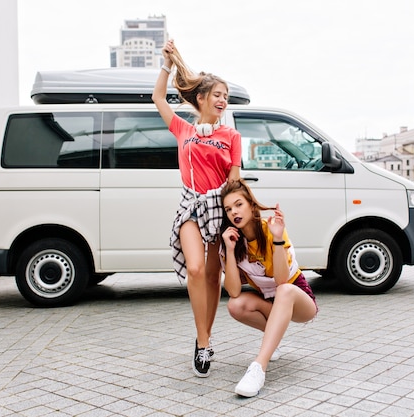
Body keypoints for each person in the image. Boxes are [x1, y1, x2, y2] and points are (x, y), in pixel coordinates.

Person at [152, 39, 241, 378]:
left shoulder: (231, 136)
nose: (222, 100)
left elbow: (234, 180)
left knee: (213, 275)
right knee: (195, 270)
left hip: (218, 207)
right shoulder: (184, 130)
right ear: (201, 98)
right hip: (190, 204)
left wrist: (235, 216)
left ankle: (204, 339)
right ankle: (203, 340)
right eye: (218, 94)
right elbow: (158, 98)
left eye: (226, 96)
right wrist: (167, 65)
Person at [220, 180, 318, 397]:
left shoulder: (272, 228)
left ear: (251, 205)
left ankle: (258, 368)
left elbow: (283, 280)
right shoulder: (234, 242)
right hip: (270, 302)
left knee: (284, 290)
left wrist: (276, 238)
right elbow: (234, 291)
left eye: (238, 205)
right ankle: (273, 340)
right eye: (228, 209)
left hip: (297, 298)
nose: (234, 212)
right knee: (235, 305)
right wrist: (228, 248)